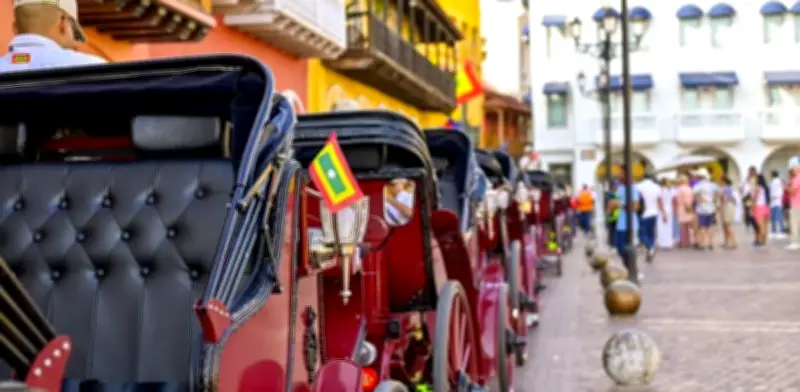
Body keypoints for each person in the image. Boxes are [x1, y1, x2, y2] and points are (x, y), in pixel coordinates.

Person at [1, 0, 106, 72]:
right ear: (63, 24)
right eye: (74, 29)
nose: (75, 42)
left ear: (15, 29)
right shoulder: (94, 68)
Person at [637, 174, 663, 261]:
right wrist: (663, 212)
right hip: (654, 212)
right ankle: (651, 247)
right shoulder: (657, 187)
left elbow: (636, 199)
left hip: (643, 213)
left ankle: (649, 247)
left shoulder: (639, 186)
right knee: (651, 232)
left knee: (641, 233)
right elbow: (659, 200)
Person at [692, 168, 717, 250]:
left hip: (701, 209)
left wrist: (698, 200)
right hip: (711, 208)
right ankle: (710, 243)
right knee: (710, 226)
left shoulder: (698, 186)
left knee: (702, 227)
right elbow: (718, 192)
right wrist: (713, 200)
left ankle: (702, 243)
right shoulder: (712, 185)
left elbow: (694, 194)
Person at [752, 173, 770, 247]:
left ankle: (759, 241)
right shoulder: (766, 188)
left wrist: (752, 208)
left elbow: (755, 199)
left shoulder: (758, 187)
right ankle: (764, 240)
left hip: (759, 208)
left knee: (760, 226)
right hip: (766, 207)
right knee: (765, 226)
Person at [675, 175, 695, 247]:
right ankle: (691, 241)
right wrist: (690, 207)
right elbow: (692, 199)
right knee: (690, 226)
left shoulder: (679, 189)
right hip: (689, 207)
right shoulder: (690, 189)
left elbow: (680, 199)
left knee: (683, 226)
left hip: (682, 208)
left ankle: (684, 242)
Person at [656, 176, 675, 250]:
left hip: (663, 209)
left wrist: (663, 213)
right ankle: (668, 243)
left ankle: (663, 243)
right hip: (669, 209)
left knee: (662, 226)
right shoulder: (671, 190)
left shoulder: (660, 191)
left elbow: (660, 202)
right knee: (668, 226)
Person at [719, 176, 738, 249]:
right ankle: (726, 242)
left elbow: (725, 199)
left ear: (723, 181)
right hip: (729, 206)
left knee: (727, 225)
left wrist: (722, 209)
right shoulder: (728, 188)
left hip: (727, 206)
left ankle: (733, 242)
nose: (719, 182)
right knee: (725, 225)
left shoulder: (725, 188)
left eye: (720, 180)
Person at [769, 170, 786, 239]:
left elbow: (780, 191)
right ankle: (774, 231)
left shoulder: (778, 181)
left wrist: (775, 196)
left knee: (778, 217)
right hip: (774, 202)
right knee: (774, 218)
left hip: (777, 202)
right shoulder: (773, 182)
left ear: (772, 175)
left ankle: (781, 231)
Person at [787, 162, 800, 250]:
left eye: (794, 169)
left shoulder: (797, 178)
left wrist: (786, 188)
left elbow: (793, 191)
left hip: (796, 204)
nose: (793, 170)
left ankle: (795, 243)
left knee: (794, 224)